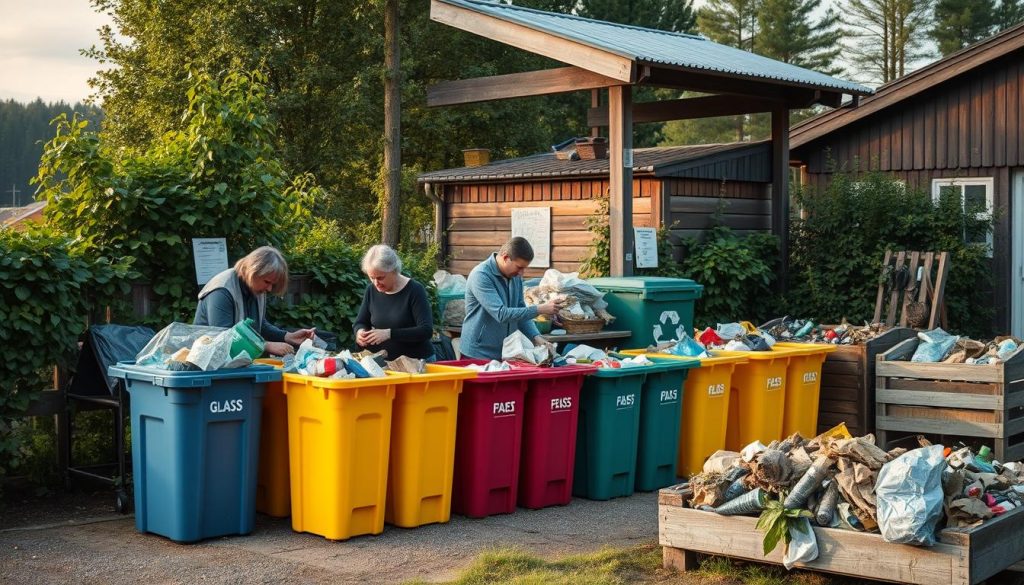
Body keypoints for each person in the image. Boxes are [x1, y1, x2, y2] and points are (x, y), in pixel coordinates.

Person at [194, 246, 315, 356]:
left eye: (273, 284)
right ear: (253, 270)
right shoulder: (222, 291)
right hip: (207, 364)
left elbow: (260, 325)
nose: (269, 289)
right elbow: (224, 338)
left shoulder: (256, 287)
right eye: (267, 282)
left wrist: (288, 336)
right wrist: (266, 345)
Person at [460, 237, 562, 361]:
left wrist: (536, 337)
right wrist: (540, 309)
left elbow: (520, 312)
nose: (521, 273)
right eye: (519, 267)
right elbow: (501, 314)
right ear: (505, 257)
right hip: (478, 354)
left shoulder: (515, 277)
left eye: (524, 268)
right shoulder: (481, 275)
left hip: (506, 353)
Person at [353, 244, 435, 359]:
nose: (376, 283)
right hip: (382, 362)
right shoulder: (371, 290)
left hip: (415, 362)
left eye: (380, 278)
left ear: (393, 270)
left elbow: (426, 331)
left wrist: (389, 334)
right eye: (372, 277)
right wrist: (360, 332)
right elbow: (360, 322)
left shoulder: (415, 290)